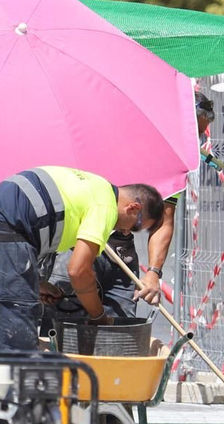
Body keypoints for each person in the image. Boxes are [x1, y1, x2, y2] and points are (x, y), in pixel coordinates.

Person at [0, 166, 164, 352]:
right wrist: (99, 316)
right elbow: (79, 271)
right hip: (5, 243)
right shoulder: (106, 205)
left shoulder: (91, 185)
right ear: (133, 208)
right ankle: (15, 394)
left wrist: (33, 283)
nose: (126, 230)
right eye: (136, 226)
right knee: (16, 350)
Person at [50, 93, 215, 317]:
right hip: (79, 243)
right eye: (194, 132)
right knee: (66, 328)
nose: (196, 140)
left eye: (200, 134)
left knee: (122, 333)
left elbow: (164, 221)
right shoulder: (117, 138)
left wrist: (154, 272)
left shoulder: (172, 165)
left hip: (121, 250)